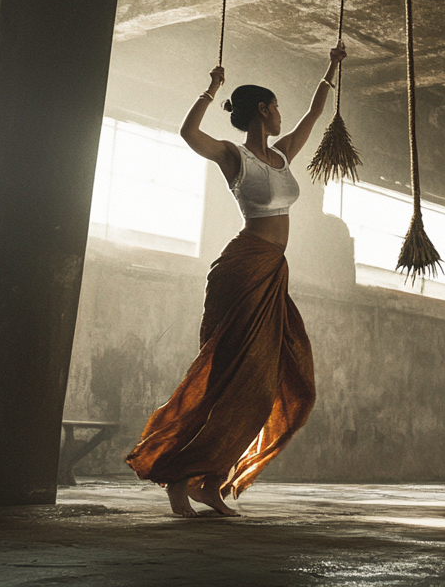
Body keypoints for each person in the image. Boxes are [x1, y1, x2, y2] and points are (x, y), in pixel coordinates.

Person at [125, 42, 347, 517]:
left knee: (263, 383)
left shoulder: (284, 155)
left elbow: (313, 113)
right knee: (229, 377)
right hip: (243, 268)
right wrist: (211, 89)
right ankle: (179, 478)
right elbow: (188, 133)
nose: (284, 114)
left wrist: (331, 67)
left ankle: (211, 482)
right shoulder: (232, 156)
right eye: (277, 107)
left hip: (272, 273)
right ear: (264, 110)